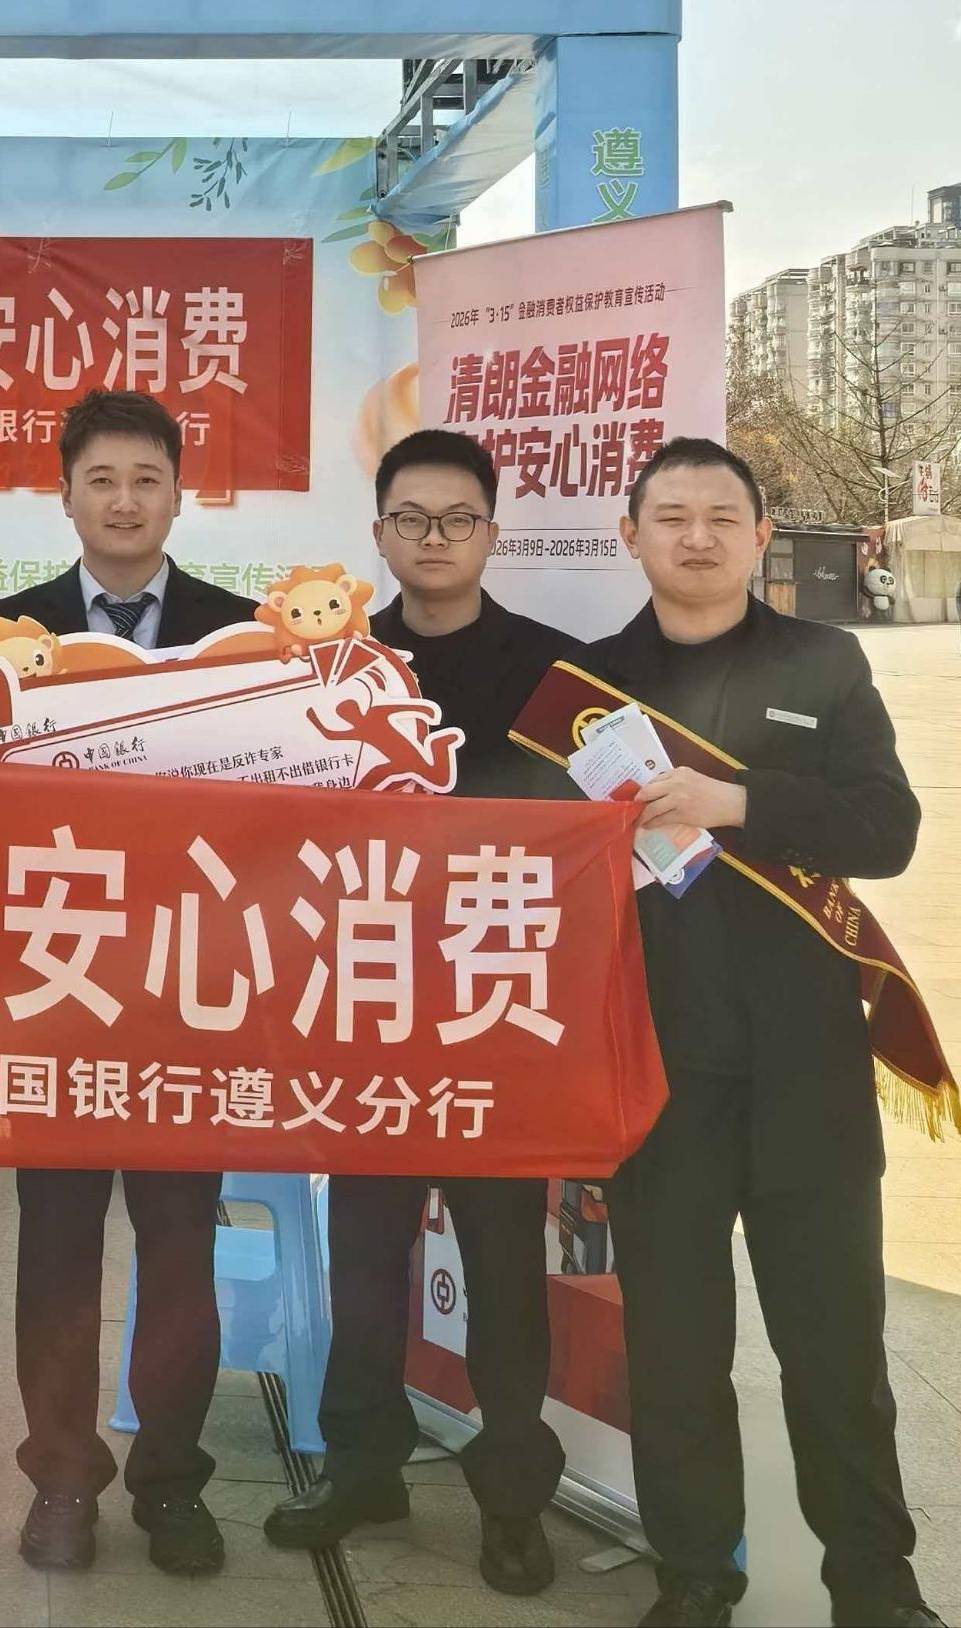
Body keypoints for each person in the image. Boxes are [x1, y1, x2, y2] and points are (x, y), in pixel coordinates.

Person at [564, 439, 941, 1628]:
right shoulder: (584, 687)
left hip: (803, 1067)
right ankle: (693, 1575)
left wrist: (741, 802)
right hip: (654, 1067)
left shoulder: (822, 661)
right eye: (670, 515)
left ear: (761, 532)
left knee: (836, 1350)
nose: (696, 536)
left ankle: (873, 1582)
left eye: (721, 515)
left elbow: (887, 828)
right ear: (628, 535)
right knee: (676, 1349)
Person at [259, 430, 574, 1594]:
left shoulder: (554, 672)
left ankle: (512, 1497)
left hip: (495, 1003)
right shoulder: (331, 665)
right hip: (366, 999)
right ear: (378, 533)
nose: (432, 538)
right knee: (364, 1251)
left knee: (503, 1262)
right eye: (409, 518)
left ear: (489, 531)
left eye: (455, 519)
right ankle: (363, 1464)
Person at [0, 388, 258, 1577]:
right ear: (66, 495)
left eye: (146, 479)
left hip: (191, 988)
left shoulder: (245, 634)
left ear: (179, 494)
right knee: (56, 1242)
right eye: (101, 480)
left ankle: (171, 1481)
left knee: (180, 1243)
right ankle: (61, 1476)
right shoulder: (6, 632)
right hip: (59, 982)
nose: (124, 501)